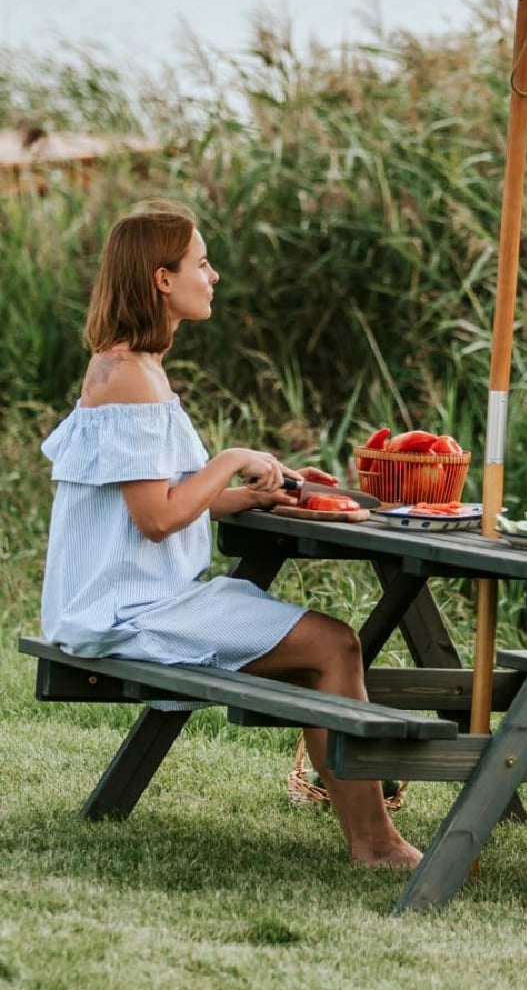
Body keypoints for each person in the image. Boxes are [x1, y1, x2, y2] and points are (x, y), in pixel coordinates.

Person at [40, 199, 420, 868]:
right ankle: (376, 844)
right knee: (334, 645)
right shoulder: (129, 377)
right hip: (129, 611)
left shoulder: (129, 367)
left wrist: (255, 490)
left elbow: (162, 495)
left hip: (129, 598)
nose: (211, 276)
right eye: (202, 263)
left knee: (325, 650)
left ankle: (369, 832)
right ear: (163, 279)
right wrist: (231, 458)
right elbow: (155, 517)